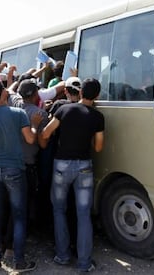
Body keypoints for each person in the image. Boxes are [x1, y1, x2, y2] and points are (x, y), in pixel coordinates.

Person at [41, 78, 105, 272]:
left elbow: (45, 133)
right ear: (97, 96)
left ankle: (62, 256)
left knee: (59, 210)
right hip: (84, 167)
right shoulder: (98, 117)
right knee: (83, 214)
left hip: (61, 165)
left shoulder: (63, 110)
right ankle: (84, 263)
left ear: (81, 91)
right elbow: (99, 147)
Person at [0, 80, 41, 272]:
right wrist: (35, 124)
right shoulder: (18, 113)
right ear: (3, 94)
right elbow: (30, 138)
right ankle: (19, 261)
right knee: (19, 215)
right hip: (14, 168)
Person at [14, 79, 49, 229]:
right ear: (36, 94)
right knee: (26, 201)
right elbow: (42, 144)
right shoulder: (40, 114)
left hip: (11, 162)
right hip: (28, 163)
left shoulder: (13, 107)